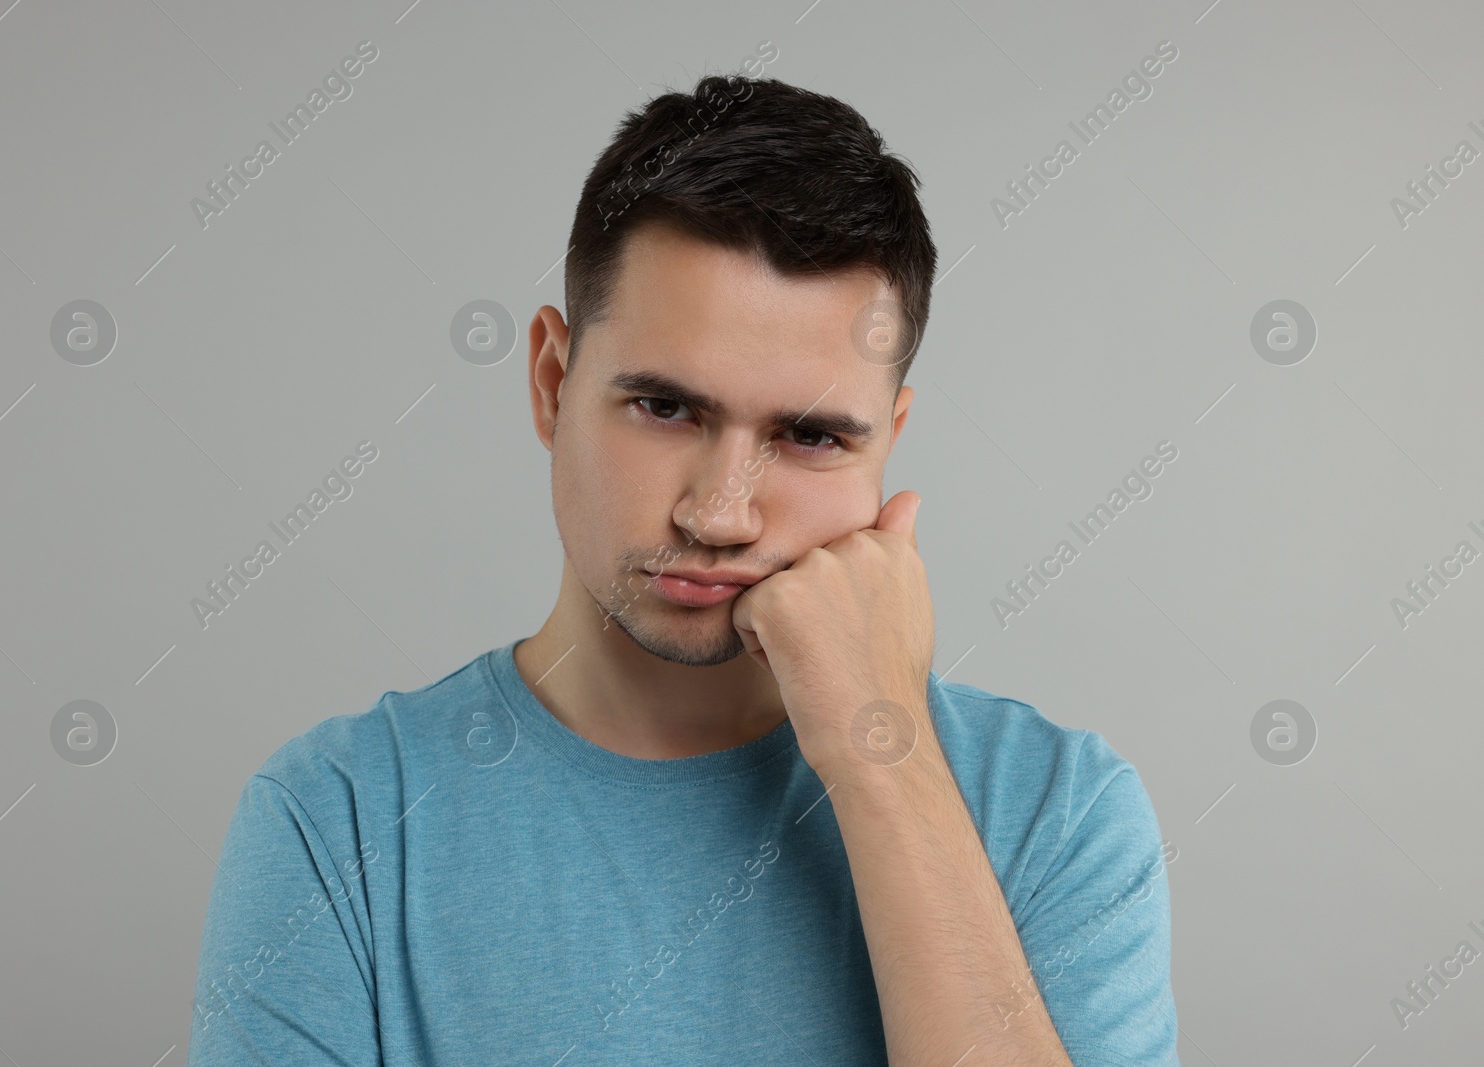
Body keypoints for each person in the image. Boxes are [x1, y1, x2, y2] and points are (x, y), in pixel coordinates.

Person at [187, 73, 1179, 1066]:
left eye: (809, 435)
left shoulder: (1059, 808)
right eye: (665, 408)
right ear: (550, 383)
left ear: (888, 443)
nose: (719, 512)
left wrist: (881, 761)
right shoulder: (338, 817)